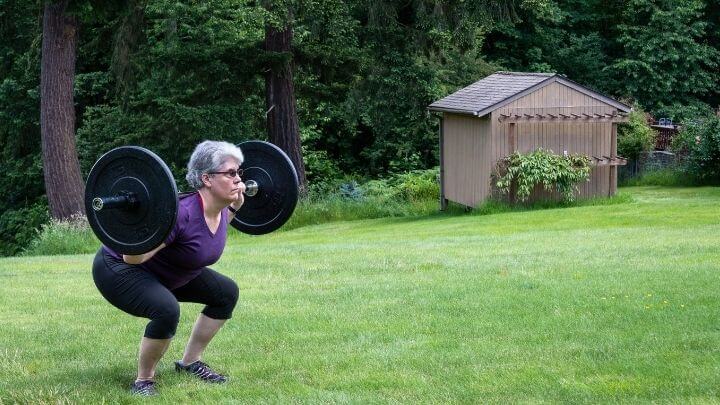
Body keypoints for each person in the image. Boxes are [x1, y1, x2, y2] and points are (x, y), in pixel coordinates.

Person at [92, 140, 246, 396]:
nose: (238, 180)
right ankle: (143, 380)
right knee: (166, 309)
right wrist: (128, 224)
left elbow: (205, 236)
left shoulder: (219, 211)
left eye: (239, 173)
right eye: (231, 173)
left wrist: (233, 208)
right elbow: (133, 259)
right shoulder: (180, 214)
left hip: (167, 272)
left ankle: (190, 362)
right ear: (207, 179)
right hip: (119, 267)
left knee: (226, 293)